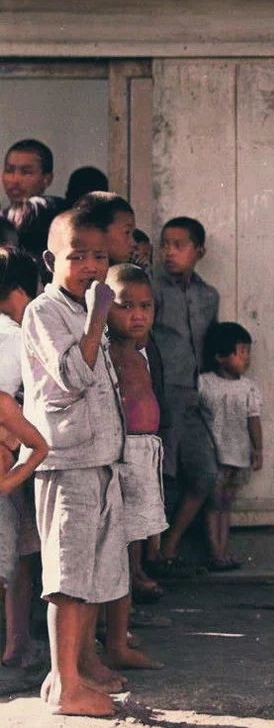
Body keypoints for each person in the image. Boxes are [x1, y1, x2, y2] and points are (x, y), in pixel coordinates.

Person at [22, 209, 127, 716]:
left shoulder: (86, 307)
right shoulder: (45, 311)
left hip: (97, 459)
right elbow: (73, 377)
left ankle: (68, 674)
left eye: (100, 256)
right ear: (50, 260)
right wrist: (96, 319)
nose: (90, 265)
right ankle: (67, 687)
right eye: (76, 255)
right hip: (66, 463)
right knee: (67, 576)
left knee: (90, 572)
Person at [100, 264, 165, 670]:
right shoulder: (107, 351)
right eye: (126, 306)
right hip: (120, 457)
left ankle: (119, 630)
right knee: (114, 549)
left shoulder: (141, 349)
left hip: (144, 455)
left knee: (132, 546)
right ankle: (110, 634)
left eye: (145, 306)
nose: (137, 315)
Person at [150, 217, 219, 574]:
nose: (169, 252)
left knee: (205, 473)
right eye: (165, 244)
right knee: (163, 477)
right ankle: (150, 557)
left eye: (179, 245)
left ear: (199, 252)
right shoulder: (152, 288)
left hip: (194, 396)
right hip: (160, 394)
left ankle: (170, 544)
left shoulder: (208, 296)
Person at [0, 247, 50, 670]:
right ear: (20, 291)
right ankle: (17, 643)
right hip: (10, 459)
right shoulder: (18, 336)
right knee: (16, 553)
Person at [198, 322, 263, 571]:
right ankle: (215, 552)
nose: (247, 358)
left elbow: (253, 421)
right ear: (220, 356)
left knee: (225, 505)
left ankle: (224, 551)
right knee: (213, 505)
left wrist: (258, 450)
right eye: (241, 351)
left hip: (237, 456)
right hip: (214, 455)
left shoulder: (248, 388)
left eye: (248, 351)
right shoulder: (204, 384)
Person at [3, 140, 65, 261]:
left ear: (47, 179)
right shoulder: (3, 217)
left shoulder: (55, 216)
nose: (15, 180)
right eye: (9, 170)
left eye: (26, 172)